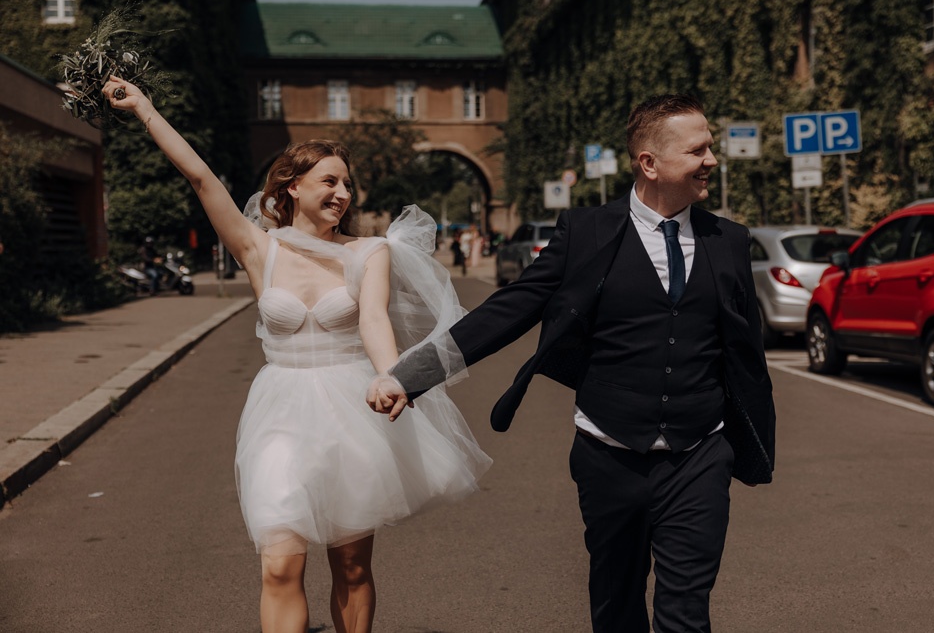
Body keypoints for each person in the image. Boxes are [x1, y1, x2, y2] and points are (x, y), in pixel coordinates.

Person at [101, 75, 490, 633]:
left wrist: (390, 377)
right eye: (329, 181)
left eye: (347, 185)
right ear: (291, 187)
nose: (343, 194)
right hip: (281, 410)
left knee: (352, 565)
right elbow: (200, 177)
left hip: (353, 406)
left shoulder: (369, 252)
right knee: (279, 565)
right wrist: (146, 111)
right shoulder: (260, 249)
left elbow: (376, 320)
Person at [376, 93, 775, 632]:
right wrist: (411, 375)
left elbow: (747, 356)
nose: (712, 160)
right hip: (608, 453)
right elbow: (508, 311)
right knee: (616, 605)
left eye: (711, 147)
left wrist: (742, 445)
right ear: (649, 163)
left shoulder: (728, 241)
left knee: (686, 613)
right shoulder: (586, 232)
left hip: (699, 454)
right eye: (698, 149)